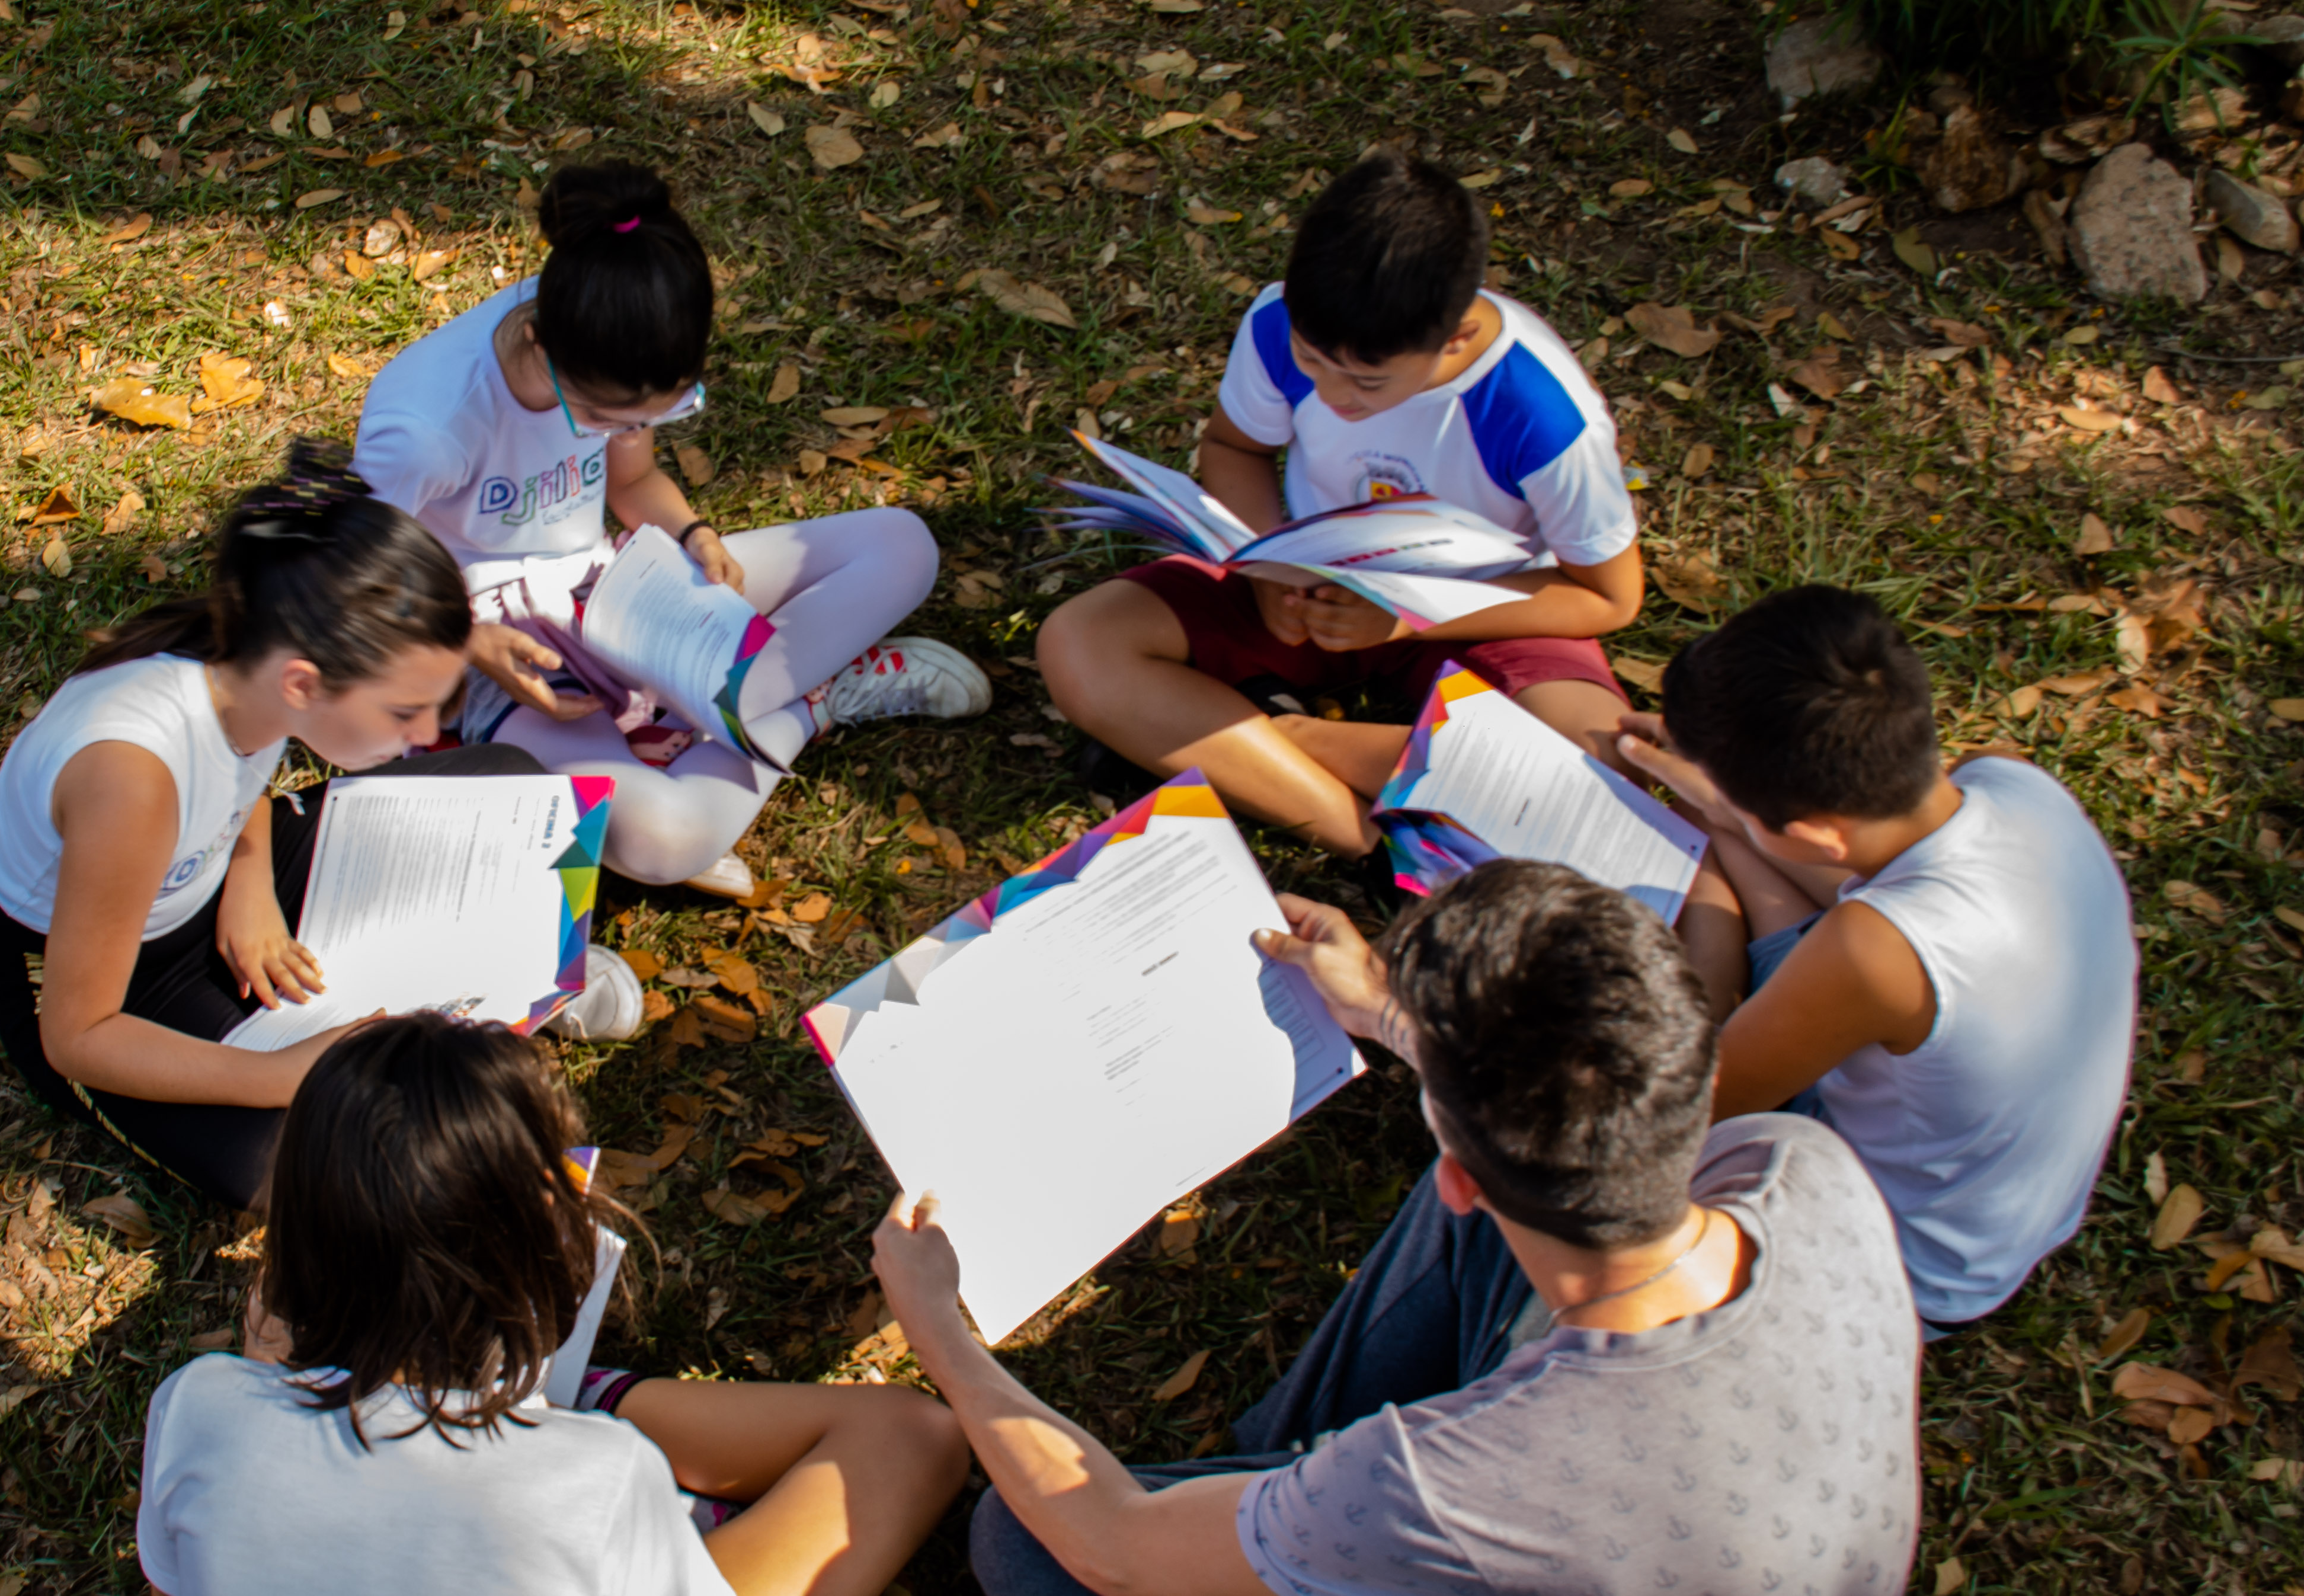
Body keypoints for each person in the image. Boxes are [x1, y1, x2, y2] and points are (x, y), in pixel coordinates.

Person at [869, 859, 1922, 1596]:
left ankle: (1272, 1502)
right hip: (1698, 1506)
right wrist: (1382, 1013)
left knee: (1022, 1540)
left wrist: (942, 1337)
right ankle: (1275, 1484)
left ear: (1455, 1176)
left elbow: (1113, 1551)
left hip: (1496, 1499)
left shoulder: (1441, 1484)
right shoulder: (1803, 1166)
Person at [0, 443, 644, 1213]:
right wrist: (285, 1073)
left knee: (510, 783)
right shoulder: (132, 783)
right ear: (303, 682)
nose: (425, 733)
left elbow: (235, 779)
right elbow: (79, 1034)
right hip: (114, 979)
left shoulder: (249, 662)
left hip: (210, 875)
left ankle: (523, 983)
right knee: (297, 1170)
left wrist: (249, 883)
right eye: (403, 711)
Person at [137, 1012, 969, 1596]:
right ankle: (582, 1401)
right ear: (539, 1252)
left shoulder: (199, 1405)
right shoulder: (599, 1479)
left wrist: (263, 1375)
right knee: (910, 1436)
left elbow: (175, 1574)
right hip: (568, 1492)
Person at [353, 161, 990, 897]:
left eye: (652, 417)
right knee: (663, 841)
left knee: (902, 545)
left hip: (614, 591)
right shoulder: (427, 428)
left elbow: (631, 482)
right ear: (537, 341)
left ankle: (707, 714)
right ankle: (812, 702)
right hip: (497, 644)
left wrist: (695, 536)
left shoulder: (614, 321)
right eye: (603, 419)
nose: (626, 432)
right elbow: (350, 575)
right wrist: (466, 642)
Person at [1038, 148, 1646, 862]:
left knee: (1600, 760)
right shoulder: (1277, 323)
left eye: (1366, 380)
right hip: (1305, 583)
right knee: (1080, 644)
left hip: (1480, 608)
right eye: (1311, 361)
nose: (1330, 396)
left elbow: (1606, 598)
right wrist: (1271, 569)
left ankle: (1263, 740)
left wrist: (1408, 617)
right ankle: (1366, 840)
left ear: (1458, 337)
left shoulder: (1538, 411)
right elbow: (1235, 449)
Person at [1615, 584, 2137, 1334]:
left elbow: (1694, 1112)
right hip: (1993, 1201)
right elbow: (1859, 876)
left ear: (1817, 832)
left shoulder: (1874, 949)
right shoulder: (2014, 782)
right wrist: (1724, 808)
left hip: (1901, 1268)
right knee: (1714, 842)